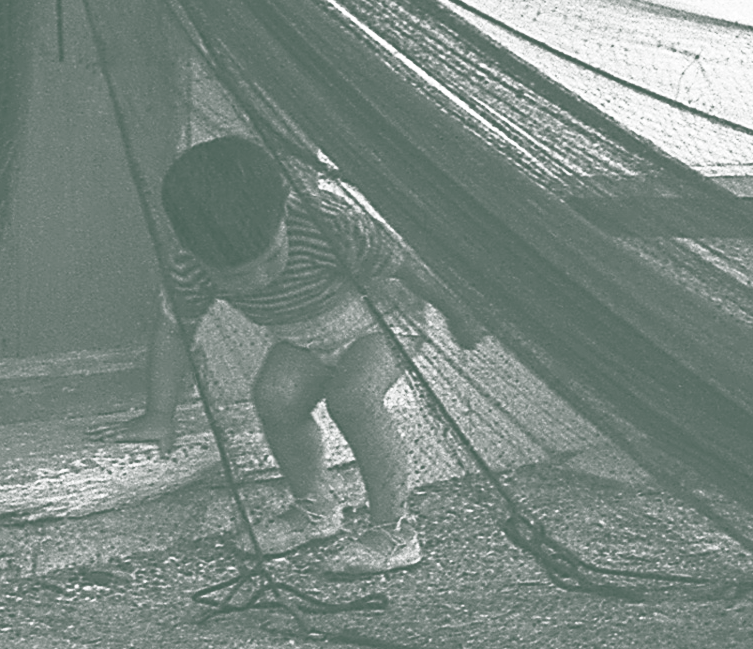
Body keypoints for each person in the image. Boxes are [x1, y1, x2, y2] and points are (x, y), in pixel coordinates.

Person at [94, 135, 482, 577]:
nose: (259, 280)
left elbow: (404, 265)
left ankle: (394, 531)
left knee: (353, 398)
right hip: (302, 334)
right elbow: (174, 329)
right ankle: (315, 509)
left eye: (271, 257)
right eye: (235, 276)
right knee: (275, 398)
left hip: (381, 318)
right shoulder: (191, 265)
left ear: (283, 209)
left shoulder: (326, 222)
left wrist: (459, 313)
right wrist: (159, 413)